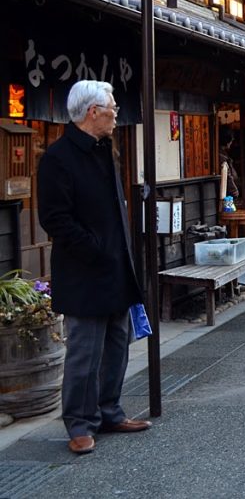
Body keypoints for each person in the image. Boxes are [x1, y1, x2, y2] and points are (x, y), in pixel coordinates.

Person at [37, 80, 150, 455]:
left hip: (116, 266)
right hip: (84, 270)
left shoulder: (106, 150)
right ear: (92, 112)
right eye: (112, 108)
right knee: (85, 351)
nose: (117, 114)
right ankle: (80, 423)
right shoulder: (58, 157)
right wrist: (95, 249)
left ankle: (110, 411)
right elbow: (54, 219)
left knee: (117, 344)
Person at [219, 126, 240, 203]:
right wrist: (234, 190)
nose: (232, 141)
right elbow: (227, 175)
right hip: (225, 190)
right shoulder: (221, 156)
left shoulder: (223, 154)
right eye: (231, 139)